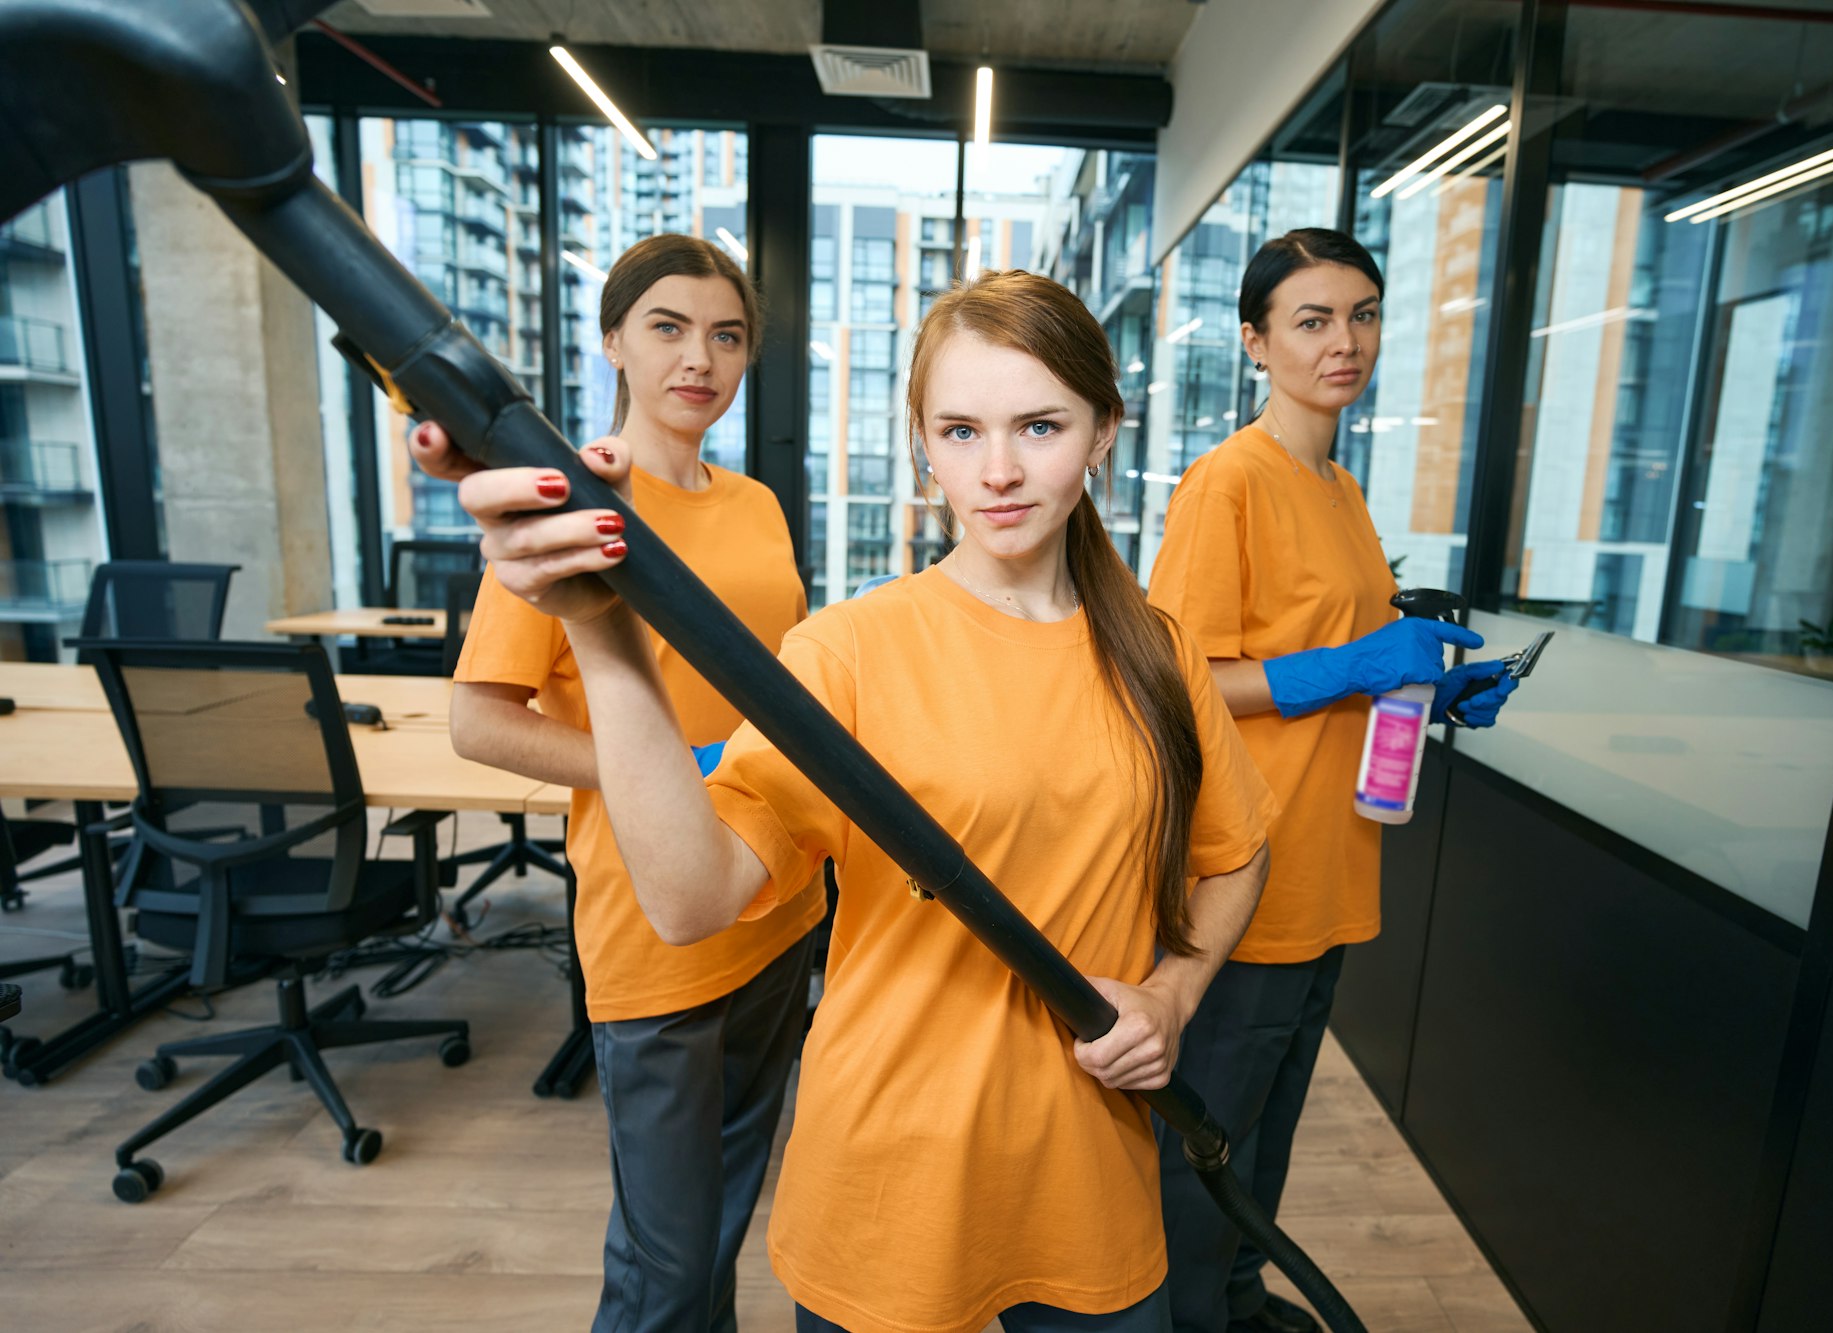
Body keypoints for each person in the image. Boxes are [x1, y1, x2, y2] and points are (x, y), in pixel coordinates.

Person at [411, 269, 1280, 1333]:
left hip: (1089, 1185)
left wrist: (1175, 994)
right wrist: (602, 633)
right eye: (959, 432)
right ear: (920, 444)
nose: (997, 470)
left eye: (1040, 425)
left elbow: (1236, 856)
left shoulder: (1159, 653)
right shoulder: (848, 652)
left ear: (1103, 430)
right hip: (889, 1190)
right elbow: (690, 898)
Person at [432, 233, 823, 1333]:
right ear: (613, 339)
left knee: (724, 1220)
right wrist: (672, 767)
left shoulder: (755, 506)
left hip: (777, 897)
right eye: (667, 327)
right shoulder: (567, 505)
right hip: (654, 920)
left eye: (725, 334)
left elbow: (780, 693)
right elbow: (478, 722)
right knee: (663, 1258)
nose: (698, 356)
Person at [1146, 228, 1518, 1333]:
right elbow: (1185, 679)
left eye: (1360, 314)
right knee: (1210, 1130)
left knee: (1270, 1116)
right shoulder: (1229, 482)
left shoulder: (1339, 488)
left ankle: (1236, 1292)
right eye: (1309, 319)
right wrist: (1356, 663)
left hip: (1334, 857)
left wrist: (1426, 690)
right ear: (1256, 341)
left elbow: (1340, 657)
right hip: (1248, 868)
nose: (1341, 341)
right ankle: (1187, 1314)